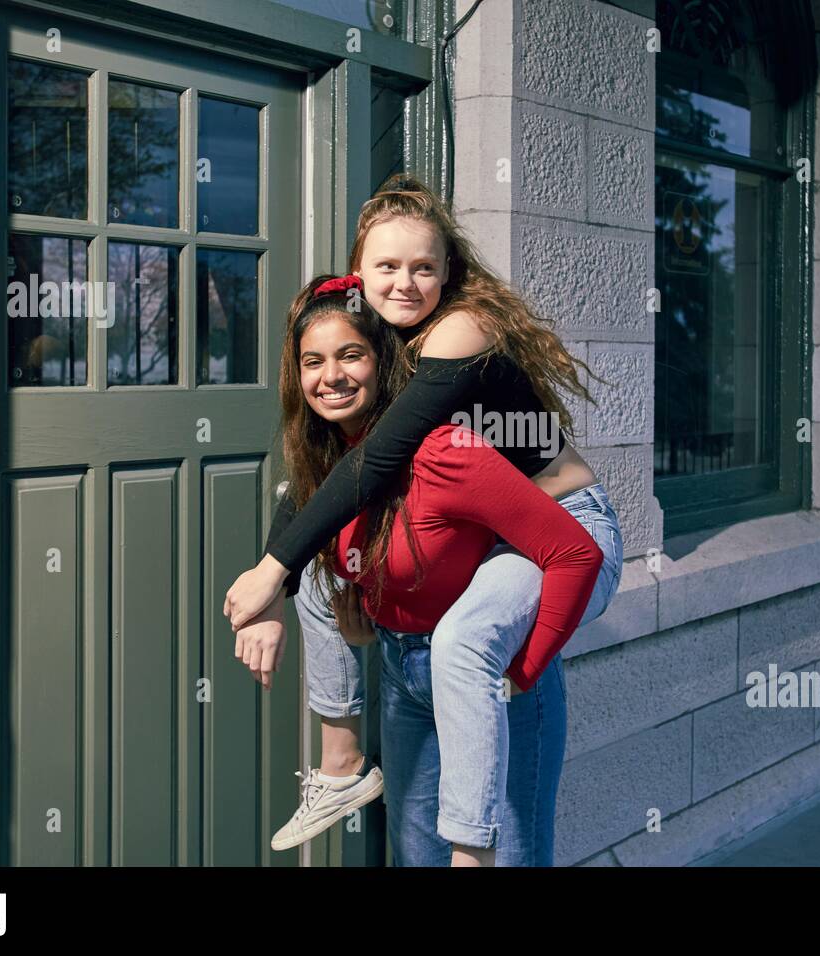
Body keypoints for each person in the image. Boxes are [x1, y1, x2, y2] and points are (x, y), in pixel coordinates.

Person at [224, 174, 624, 865]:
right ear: (359, 271)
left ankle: (473, 849)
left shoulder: (457, 332)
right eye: (386, 266)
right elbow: (321, 476)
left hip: (569, 526)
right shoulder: (384, 345)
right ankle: (340, 761)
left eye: (423, 267)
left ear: (449, 272)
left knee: (465, 639)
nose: (405, 282)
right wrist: (275, 588)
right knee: (324, 570)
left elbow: (375, 462)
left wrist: (268, 571)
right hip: (502, 536)